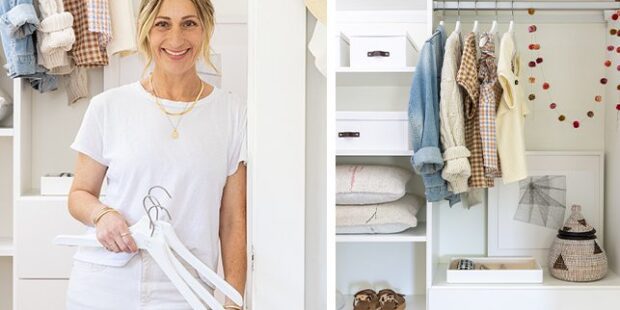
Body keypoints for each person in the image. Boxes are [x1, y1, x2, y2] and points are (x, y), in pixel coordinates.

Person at [65, 0, 247, 308]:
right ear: (146, 30)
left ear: (205, 29)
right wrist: (103, 215)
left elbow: (232, 220)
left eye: (189, 23)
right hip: (106, 285)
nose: (176, 39)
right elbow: (79, 194)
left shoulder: (232, 113)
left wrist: (233, 302)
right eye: (163, 24)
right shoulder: (109, 107)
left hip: (186, 288)